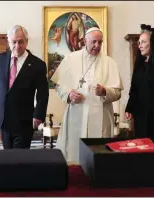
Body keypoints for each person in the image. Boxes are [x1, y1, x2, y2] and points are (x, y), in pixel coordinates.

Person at [51, 27, 124, 163]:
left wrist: (105, 91)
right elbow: (59, 86)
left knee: (99, 155)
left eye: (100, 42)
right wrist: (69, 95)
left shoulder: (109, 62)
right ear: (85, 41)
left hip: (101, 116)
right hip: (75, 115)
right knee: (74, 153)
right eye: (94, 42)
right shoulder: (70, 59)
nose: (97, 45)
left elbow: (117, 92)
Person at [0, 25, 49, 149]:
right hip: (4, 118)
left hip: (24, 120)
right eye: (14, 42)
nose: (17, 46)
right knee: (7, 159)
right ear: (9, 42)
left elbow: (42, 94)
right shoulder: (0, 59)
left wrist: (39, 115)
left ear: (27, 42)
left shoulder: (38, 65)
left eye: (21, 42)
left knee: (20, 160)